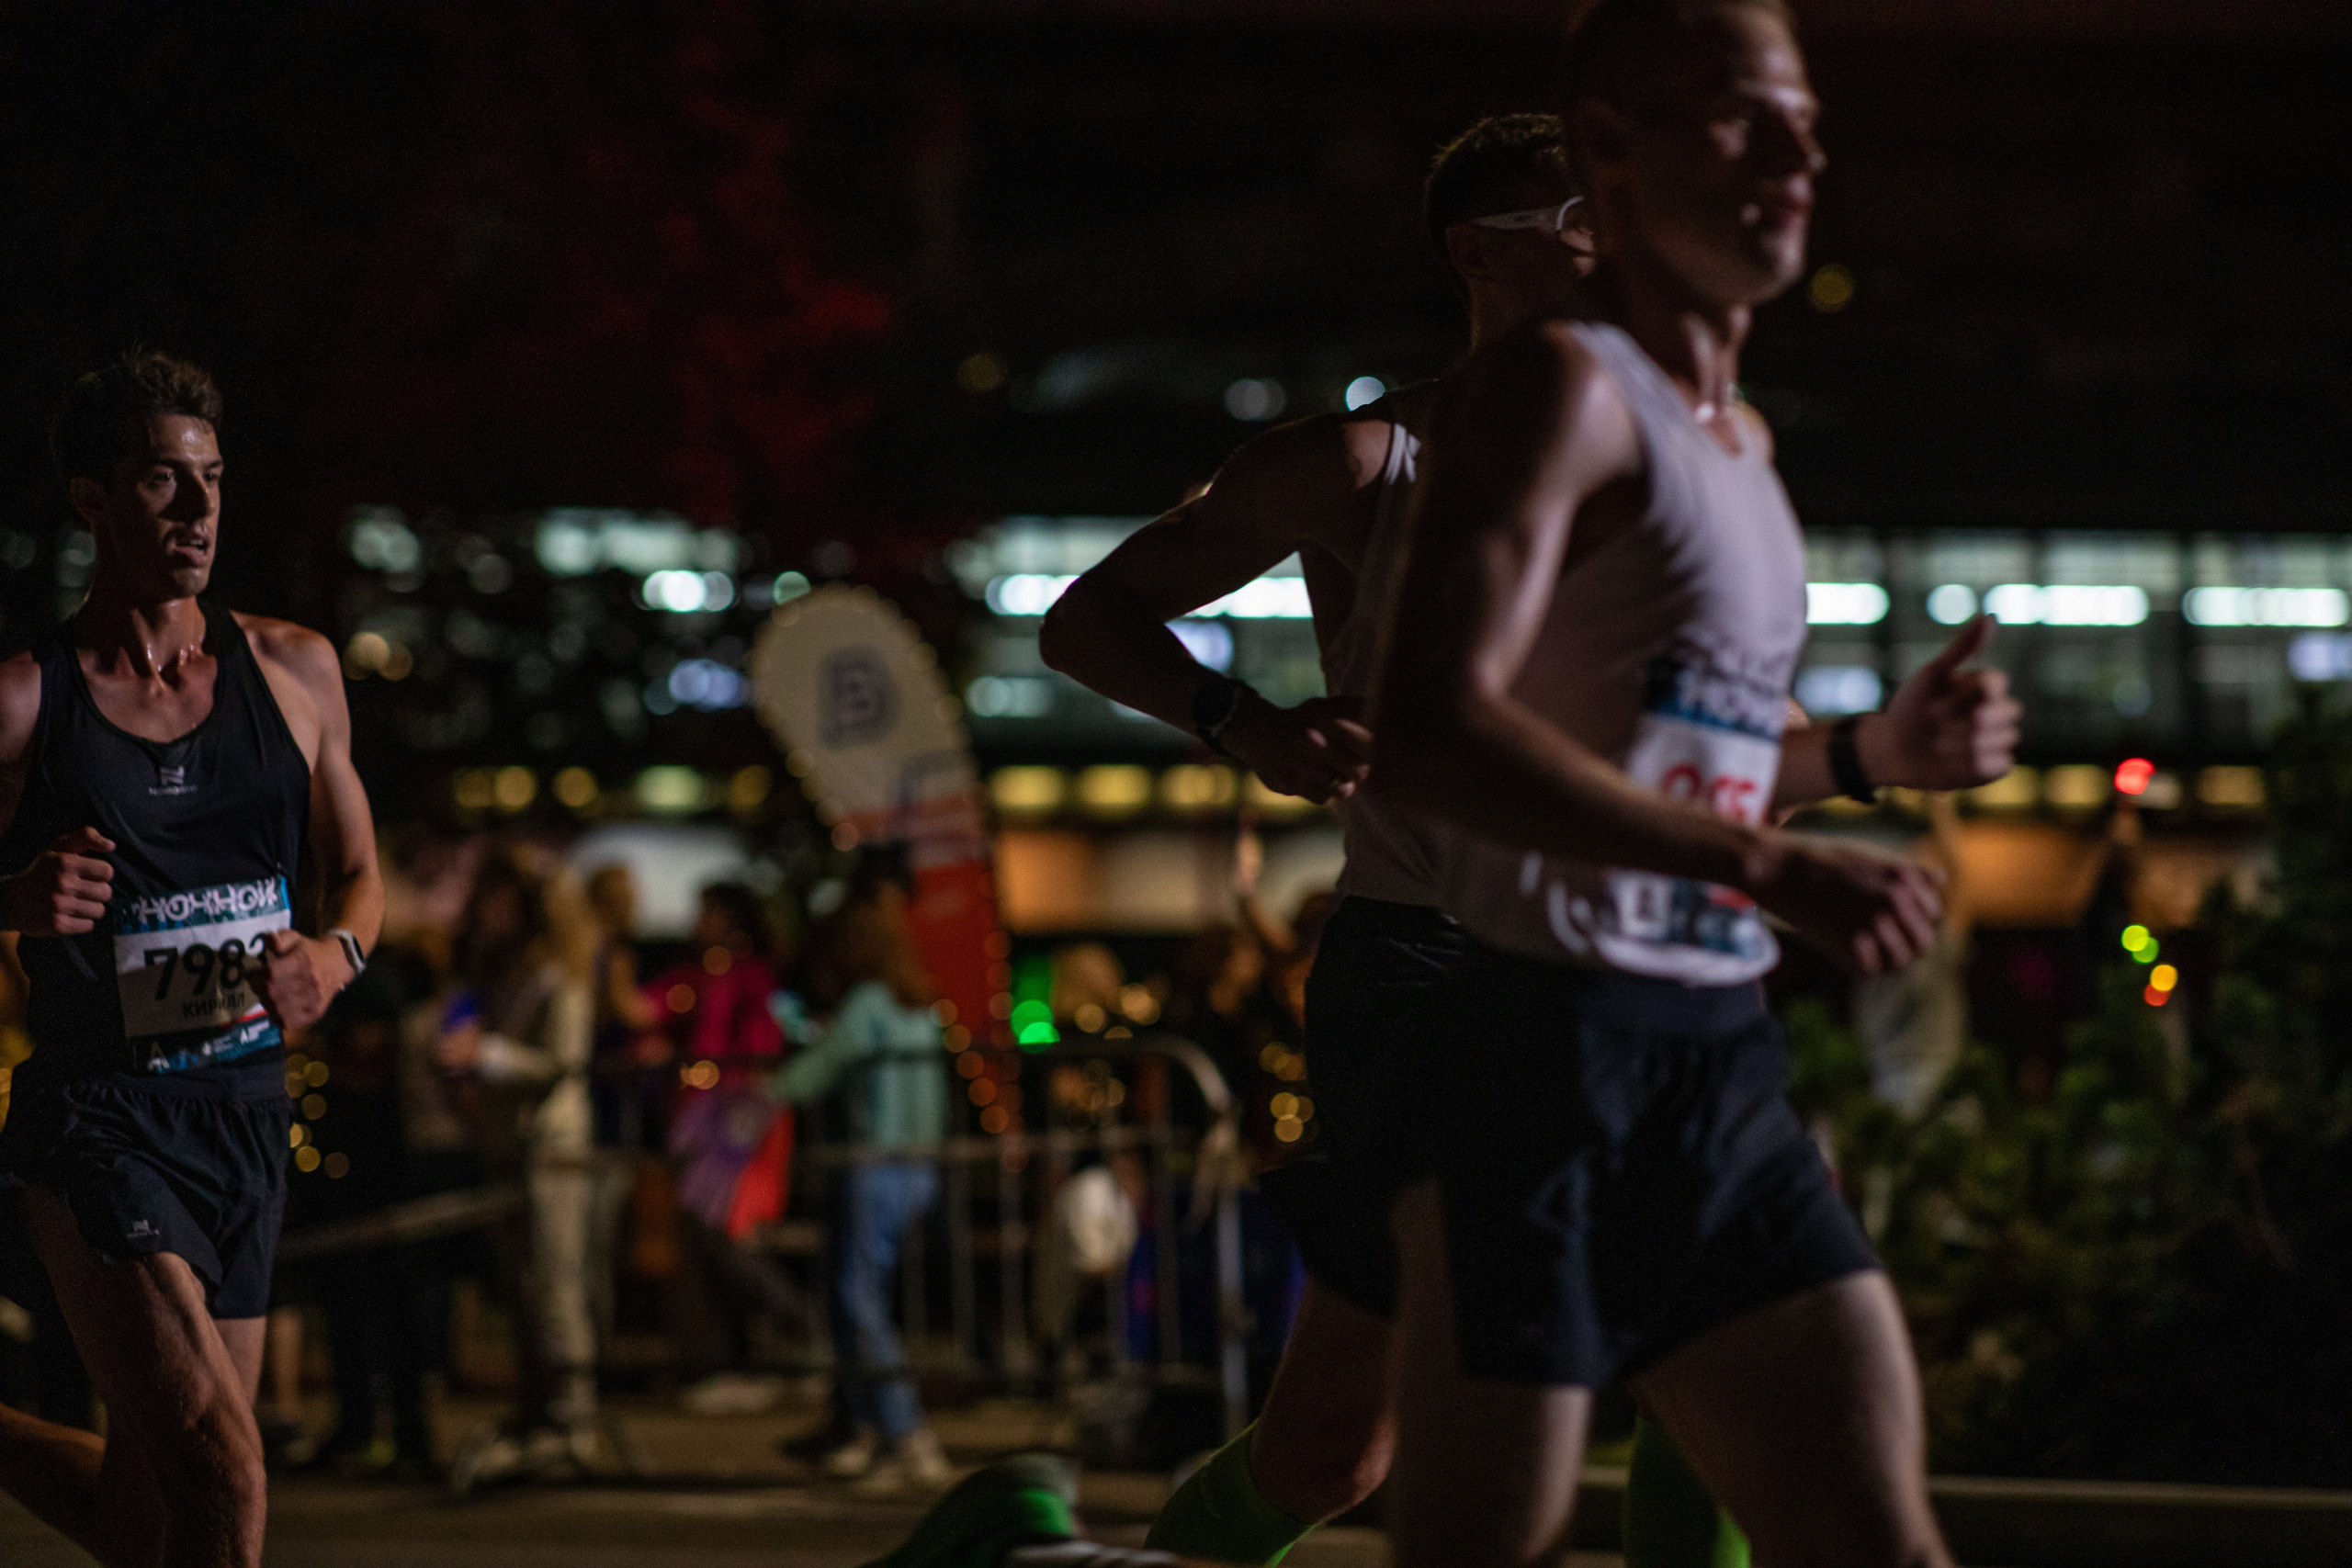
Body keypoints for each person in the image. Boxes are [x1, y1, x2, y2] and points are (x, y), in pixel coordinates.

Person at [1366, 5, 2018, 1565]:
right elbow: (1429, 726)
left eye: (1803, 117)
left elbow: (1675, 759)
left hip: (1716, 1062)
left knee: (1879, 1544)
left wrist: (1868, 759)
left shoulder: (1746, 444)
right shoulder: (1562, 391)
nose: (1797, 152)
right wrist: (1763, 867)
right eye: (1737, 116)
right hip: (1551, 1052)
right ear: (1609, 149)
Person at [1033, 112, 1604, 1568]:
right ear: (1481, 252)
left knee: (1718, 1325)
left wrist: (1846, 764)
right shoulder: (1369, 457)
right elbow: (1087, 614)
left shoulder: (1686, 466)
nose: (1626, 236)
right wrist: (1249, 723)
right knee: (1346, 1443)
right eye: (1584, 212)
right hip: (1432, 965)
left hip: (1622, 964)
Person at [0, 349, 384, 1568]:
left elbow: (368, 876)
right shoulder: (25, 698)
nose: (201, 508)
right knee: (226, 1476)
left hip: (245, 1114)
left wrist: (337, 953)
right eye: (165, 481)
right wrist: (9, 893)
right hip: (99, 1117)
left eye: (212, 478)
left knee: (145, 1508)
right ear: (95, 501)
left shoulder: (297, 668)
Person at [772, 881, 952, 1494]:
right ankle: (863, 1428)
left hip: (874, 1162)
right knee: (858, 1294)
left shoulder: (868, 1002)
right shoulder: (916, 1001)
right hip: (918, 1166)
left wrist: (756, 1097)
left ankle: (905, 1433)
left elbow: (817, 1069)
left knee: (856, 1299)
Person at [434, 850, 603, 1493]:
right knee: (523, 1289)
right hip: (508, 1146)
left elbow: (564, 1060)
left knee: (557, 1284)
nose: (489, 911)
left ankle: (572, 1418)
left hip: (553, 1148)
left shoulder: (561, 976)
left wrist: (491, 1055)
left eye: (502, 898)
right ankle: (539, 1411)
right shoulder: (500, 974)